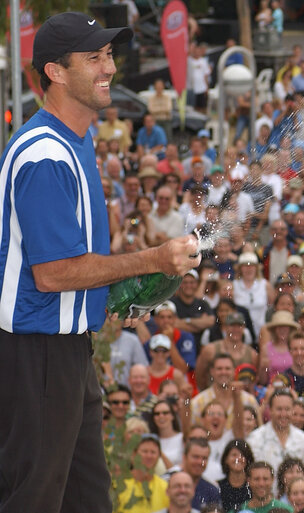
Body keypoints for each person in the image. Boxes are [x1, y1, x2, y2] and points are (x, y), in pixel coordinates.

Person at [0, 12, 199, 513]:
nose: (109, 66)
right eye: (94, 57)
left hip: (66, 351)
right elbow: (53, 273)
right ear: (56, 72)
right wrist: (151, 259)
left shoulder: (78, 138)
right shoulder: (45, 155)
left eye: (109, 54)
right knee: (34, 499)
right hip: (37, 355)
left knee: (87, 499)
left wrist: (122, 295)